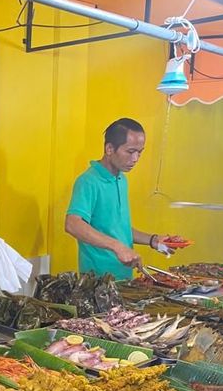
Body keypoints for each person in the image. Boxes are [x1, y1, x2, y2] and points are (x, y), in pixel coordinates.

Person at [65, 117, 181, 280]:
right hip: (98, 281)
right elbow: (73, 224)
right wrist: (117, 247)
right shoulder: (88, 181)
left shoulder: (121, 179)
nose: (135, 159)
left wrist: (153, 240)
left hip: (123, 278)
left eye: (140, 152)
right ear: (110, 148)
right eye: (130, 151)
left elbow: (117, 229)